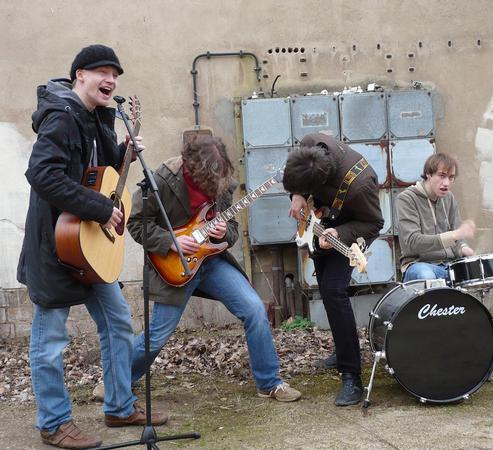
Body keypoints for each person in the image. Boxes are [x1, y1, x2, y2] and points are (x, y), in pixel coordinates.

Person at [17, 44, 167, 450]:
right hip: (55, 245)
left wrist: (124, 154)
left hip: (90, 245)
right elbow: (42, 174)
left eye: (115, 75)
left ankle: (119, 405)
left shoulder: (99, 118)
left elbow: (94, 173)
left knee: (118, 321)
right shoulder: (61, 117)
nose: (111, 80)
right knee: (50, 340)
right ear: (79, 75)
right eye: (103, 72)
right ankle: (53, 423)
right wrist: (102, 209)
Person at [125, 133, 301, 403]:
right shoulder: (162, 179)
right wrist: (171, 242)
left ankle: (269, 383)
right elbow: (136, 224)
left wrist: (223, 233)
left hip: (211, 262)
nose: (216, 185)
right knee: (158, 334)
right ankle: (117, 380)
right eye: (209, 180)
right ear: (191, 168)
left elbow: (232, 231)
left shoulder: (222, 182)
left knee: (254, 309)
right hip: (175, 264)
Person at [394, 152, 493, 356]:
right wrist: (455, 235)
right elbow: (412, 242)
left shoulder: (449, 199)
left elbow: (457, 241)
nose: (447, 183)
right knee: (425, 275)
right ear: (428, 174)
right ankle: (438, 345)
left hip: (451, 266)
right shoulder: (406, 199)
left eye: (451, 177)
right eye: (442, 176)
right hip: (419, 265)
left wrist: (464, 249)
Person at [283, 132, 384, 406]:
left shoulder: (361, 184)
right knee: (327, 291)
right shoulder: (308, 145)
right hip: (319, 220)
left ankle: (352, 376)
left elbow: (374, 223)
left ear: (321, 183)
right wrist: (297, 196)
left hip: (348, 230)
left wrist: (339, 233)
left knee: (334, 291)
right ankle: (342, 351)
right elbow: (296, 181)